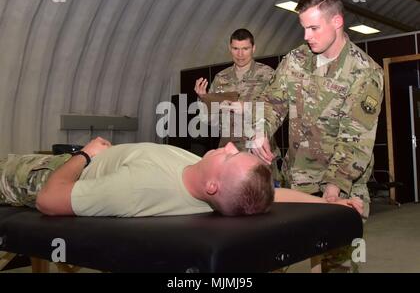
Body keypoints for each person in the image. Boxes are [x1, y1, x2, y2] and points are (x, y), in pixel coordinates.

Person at [251, 0, 383, 271]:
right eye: (303, 28)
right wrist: (262, 130)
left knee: (334, 265)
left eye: (313, 28)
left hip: (341, 184)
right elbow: (272, 100)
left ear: (337, 22)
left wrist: (334, 189)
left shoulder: (364, 72)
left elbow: (355, 140)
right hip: (297, 181)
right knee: (272, 257)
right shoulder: (296, 59)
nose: (306, 36)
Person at [0, 137, 363, 217]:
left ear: (212, 187)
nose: (231, 145)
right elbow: (274, 195)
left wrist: (85, 154)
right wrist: (329, 202)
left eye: (230, 156)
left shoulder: (138, 187)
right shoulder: (201, 176)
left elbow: (50, 200)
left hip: (43, 174)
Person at [194, 28, 282, 182]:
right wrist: (203, 99)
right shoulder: (221, 78)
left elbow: (278, 109)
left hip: (258, 152)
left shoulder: (267, 74)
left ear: (253, 48)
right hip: (230, 153)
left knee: (264, 199)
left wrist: (246, 108)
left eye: (245, 49)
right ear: (230, 48)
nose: (240, 54)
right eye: (236, 49)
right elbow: (210, 120)